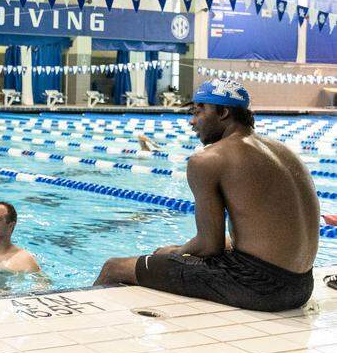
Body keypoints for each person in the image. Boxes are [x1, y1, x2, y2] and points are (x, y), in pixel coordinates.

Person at [96, 80, 319, 312]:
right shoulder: (283, 151)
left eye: (199, 111)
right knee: (178, 252)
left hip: (259, 287)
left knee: (114, 267)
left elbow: (209, 246)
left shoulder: (207, 160)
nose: (192, 121)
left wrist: (174, 252)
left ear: (223, 112)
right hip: (301, 285)